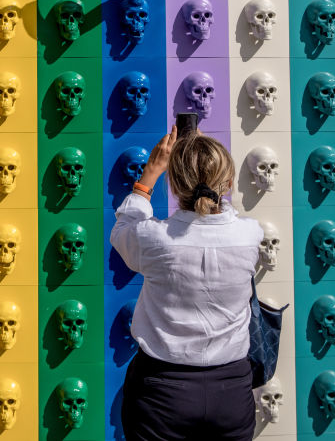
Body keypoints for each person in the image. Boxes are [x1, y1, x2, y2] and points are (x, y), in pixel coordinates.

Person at [110, 125, 264, 441]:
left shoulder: (153, 239)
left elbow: (123, 229)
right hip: (231, 390)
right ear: (229, 182)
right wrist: (206, 161)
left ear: (175, 185)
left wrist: (150, 174)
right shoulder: (250, 235)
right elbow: (225, 216)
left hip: (163, 393)